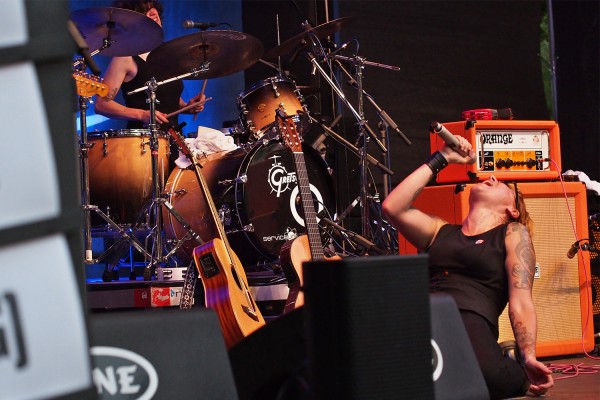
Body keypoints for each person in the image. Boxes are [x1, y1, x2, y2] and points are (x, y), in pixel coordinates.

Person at [381, 136, 554, 399]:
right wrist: (443, 159)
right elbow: (392, 206)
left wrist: (528, 355)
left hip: (470, 315)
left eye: (504, 184)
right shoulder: (439, 230)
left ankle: (511, 367)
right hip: (427, 312)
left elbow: (521, 301)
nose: (493, 178)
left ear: (513, 210)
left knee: (487, 378)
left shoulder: (512, 233)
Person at [94, 0, 205, 137]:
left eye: (154, 8)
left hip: (174, 140)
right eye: (144, 10)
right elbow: (101, 105)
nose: (153, 12)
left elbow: (165, 97)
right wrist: (141, 114)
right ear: (131, 21)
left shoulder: (168, 54)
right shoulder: (125, 57)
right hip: (141, 144)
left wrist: (187, 107)